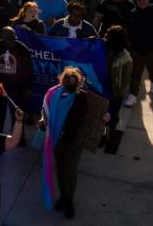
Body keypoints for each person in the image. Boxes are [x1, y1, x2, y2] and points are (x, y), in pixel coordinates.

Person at [38, 67, 109, 218]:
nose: (70, 84)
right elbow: (45, 112)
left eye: (73, 81)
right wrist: (43, 122)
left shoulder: (84, 98)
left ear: (79, 83)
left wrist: (104, 120)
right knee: (60, 170)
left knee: (69, 171)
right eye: (67, 80)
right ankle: (63, 196)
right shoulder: (54, 95)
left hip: (75, 140)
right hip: (57, 138)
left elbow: (99, 115)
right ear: (62, 80)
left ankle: (69, 200)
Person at [0, 27, 34, 134]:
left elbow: (29, 70)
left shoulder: (22, 48)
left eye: (13, 39)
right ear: (2, 38)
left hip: (16, 86)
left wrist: (27, 87)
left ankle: (18, 137)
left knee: (18, 113)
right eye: (8, 39)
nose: (11, 42)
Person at [103, 26, 133, 153]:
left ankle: (109, 137)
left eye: (108, 34)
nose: (105, 36)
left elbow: (126, 79)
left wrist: (119, 93)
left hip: (114, 92)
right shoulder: (102, 47)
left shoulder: (125, 57)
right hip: (102, 88)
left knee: (112, 116)